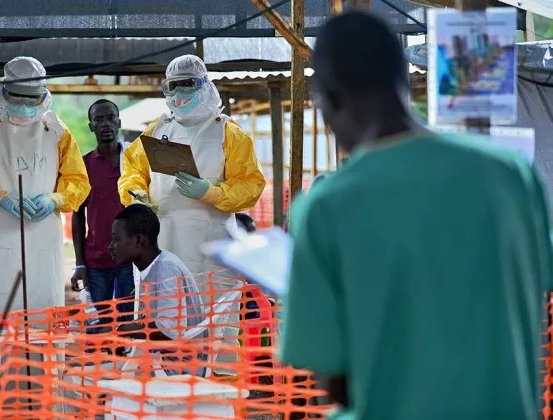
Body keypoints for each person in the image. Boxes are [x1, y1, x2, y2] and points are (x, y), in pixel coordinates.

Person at [281, 11, 552, 420]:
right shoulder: (511, 174)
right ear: (404, 83)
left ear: (330, 99)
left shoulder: (327, 207)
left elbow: (335, 381)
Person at [0, 56, 90, 339]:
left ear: (43, 96)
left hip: (43, 242)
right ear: (3, 92)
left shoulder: (57, 132)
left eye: (31, 99)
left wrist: (55, 199)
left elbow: (78, 181)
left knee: (43, 320)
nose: (23, 105)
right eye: (17, 97)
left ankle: (45, 369)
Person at [118, 54, 266, 280]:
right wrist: (137, 194)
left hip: (209, 245)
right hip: (162, 239)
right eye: (172, 86)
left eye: (187, 84)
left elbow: (251, 185)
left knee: (209, 300)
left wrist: (212, 193)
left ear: (204, 85)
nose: (179, 94)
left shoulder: (228, 132)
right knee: (163, 298)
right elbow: (133, 169)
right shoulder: (157, 129)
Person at [109, 204, 208, 376]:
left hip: (177, 369)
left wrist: (121, 330)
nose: (110, 246)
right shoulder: (153, 266)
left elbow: (169, 330)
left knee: (80, 376)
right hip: (162, 360)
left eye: (116, 239)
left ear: (139, 240)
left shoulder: (166, 268)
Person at [71, 100, 135, 319]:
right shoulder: (83, 165)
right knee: (100, 324)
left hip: (131, 259)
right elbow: (78, 216)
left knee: (131, 323)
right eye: (98, 119)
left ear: (119, 122)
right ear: (91, 126)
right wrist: (79, 263)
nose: (105, 124)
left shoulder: (134, 162)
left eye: (110, 118)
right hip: (96, 261)